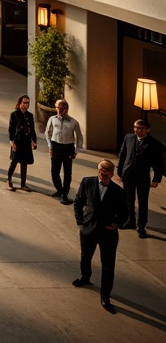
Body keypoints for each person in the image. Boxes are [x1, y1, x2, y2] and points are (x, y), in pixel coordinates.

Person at [73, 159, 129, 313]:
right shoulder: (87, 182)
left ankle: (105, 295)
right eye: (100, 172)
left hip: (108, 233)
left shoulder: (119, 192)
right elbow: (78, 202)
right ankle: (85, 277)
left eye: (106, 173)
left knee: (108, 265)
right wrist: (80, 221)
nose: (102, 175)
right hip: (88, 230)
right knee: (85, 256)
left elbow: (125, 213)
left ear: (112, 174)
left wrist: (117, 223)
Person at [117, 116, 164, 237]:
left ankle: (141, 225)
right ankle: (130, 221)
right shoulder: (129, 137)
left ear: (147, 130)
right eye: (136, 128)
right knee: (128, 200)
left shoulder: (154, 144)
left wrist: (156, 179)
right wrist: (119, 172)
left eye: (141, 128)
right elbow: (122, 155)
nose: (137, 130)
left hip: (143, 177)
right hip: (128, 175)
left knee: (143, 202)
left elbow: (159, 164)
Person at [46, 99, 84, 205]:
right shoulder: (52, 119)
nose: (60, 110)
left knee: (67, 173)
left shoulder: (73, 122)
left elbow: (79, 137)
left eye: (62, 108)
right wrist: (50, 146)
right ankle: (59, 190)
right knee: (54, 172)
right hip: (56, 147)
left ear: (66, 109)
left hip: (68, 148)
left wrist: (76, 150)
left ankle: (65, 195)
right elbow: (47, 132)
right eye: (58, 108)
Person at [7, 94, 37, 191]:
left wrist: (34, 141)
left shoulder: (30, 115)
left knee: (24, 163)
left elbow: (32, 129)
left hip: (26, 142)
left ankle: (23, 183)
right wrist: (11, 141)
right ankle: (9, 181)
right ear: (19, 103)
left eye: (27, 103)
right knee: (14, 161)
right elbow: (11, 129)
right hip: (17, 141)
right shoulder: (14, 115)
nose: (26, 105)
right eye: (24, 103)